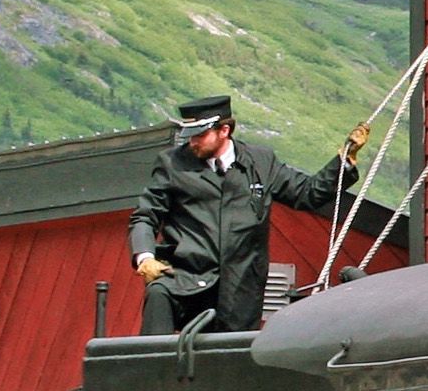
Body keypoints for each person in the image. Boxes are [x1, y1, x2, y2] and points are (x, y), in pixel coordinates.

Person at [132, 95, 355, 335]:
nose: (192, 142)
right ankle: (151, 370)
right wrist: (145, 257)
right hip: (186, 280)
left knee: (228, 362)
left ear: (224, 130)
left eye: (200, 135)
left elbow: (306, 193)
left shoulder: (260, 162)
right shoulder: (172, 164)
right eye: (190, 135)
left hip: (240, 289)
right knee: (158, 293)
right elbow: (145, 215)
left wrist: (344, 164)